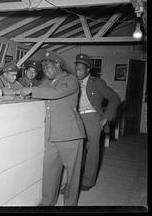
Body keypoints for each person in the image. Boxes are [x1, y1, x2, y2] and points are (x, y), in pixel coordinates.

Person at [20, 52, 86, 206]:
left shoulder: (71, 80)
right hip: (51, 135)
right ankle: (47, 202)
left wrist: (32, 91)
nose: (45, 70)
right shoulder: (47, 82)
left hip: (70, 135)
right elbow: (30, 90)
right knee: (50, 172)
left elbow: (56, 93)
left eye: (48, 66)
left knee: (73, 174)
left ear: (58, 64)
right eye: (43, 67)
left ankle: (70, 204)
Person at [74, 53, 120, 191]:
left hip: (92, 117)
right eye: (76, 69)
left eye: (81, 69)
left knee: (92, 150)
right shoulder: (72, 82)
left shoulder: (97, 82)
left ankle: (88, 181)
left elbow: (114, 98)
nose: (78, 72)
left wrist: (106, 117)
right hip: (76, 118)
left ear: (88, 69)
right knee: (76, 150)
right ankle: (74, 181)